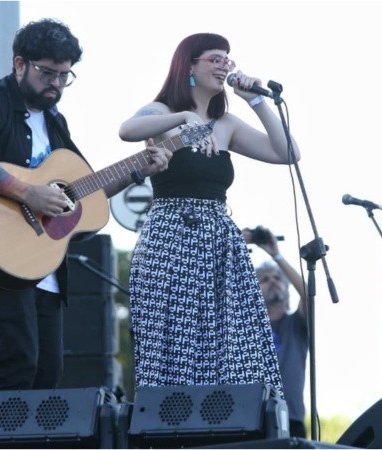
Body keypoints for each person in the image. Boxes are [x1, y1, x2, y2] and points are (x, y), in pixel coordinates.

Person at [0, 18, 171, 391]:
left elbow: (83, 193)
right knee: (13, 366)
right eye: (47, 72)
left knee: (46, 376)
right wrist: (28, 192)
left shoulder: (56, 124)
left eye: (64, 75)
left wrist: (138, 171)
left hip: (40, 267)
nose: (56, 83)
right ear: (19, 64)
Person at [119, 33, 300, 396]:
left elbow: (288, 153)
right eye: (215, 59)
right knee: (177, 345)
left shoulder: (226, 124)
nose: (224, 66)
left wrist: (256, 102)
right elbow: (127, 130)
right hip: (171, 238)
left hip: (219, 241)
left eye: (227, 61)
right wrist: (185, 117)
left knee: (232, 347)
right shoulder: (162, 113)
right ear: (189, 65)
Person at [245, 226, 308, 438]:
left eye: (277, 278)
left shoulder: (296, 324)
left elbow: (308, 294)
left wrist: (276, 255)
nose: (272, 281)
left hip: (292, 419)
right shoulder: (247, 326)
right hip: (253, 418)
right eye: (264, 279)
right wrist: (235, 246)